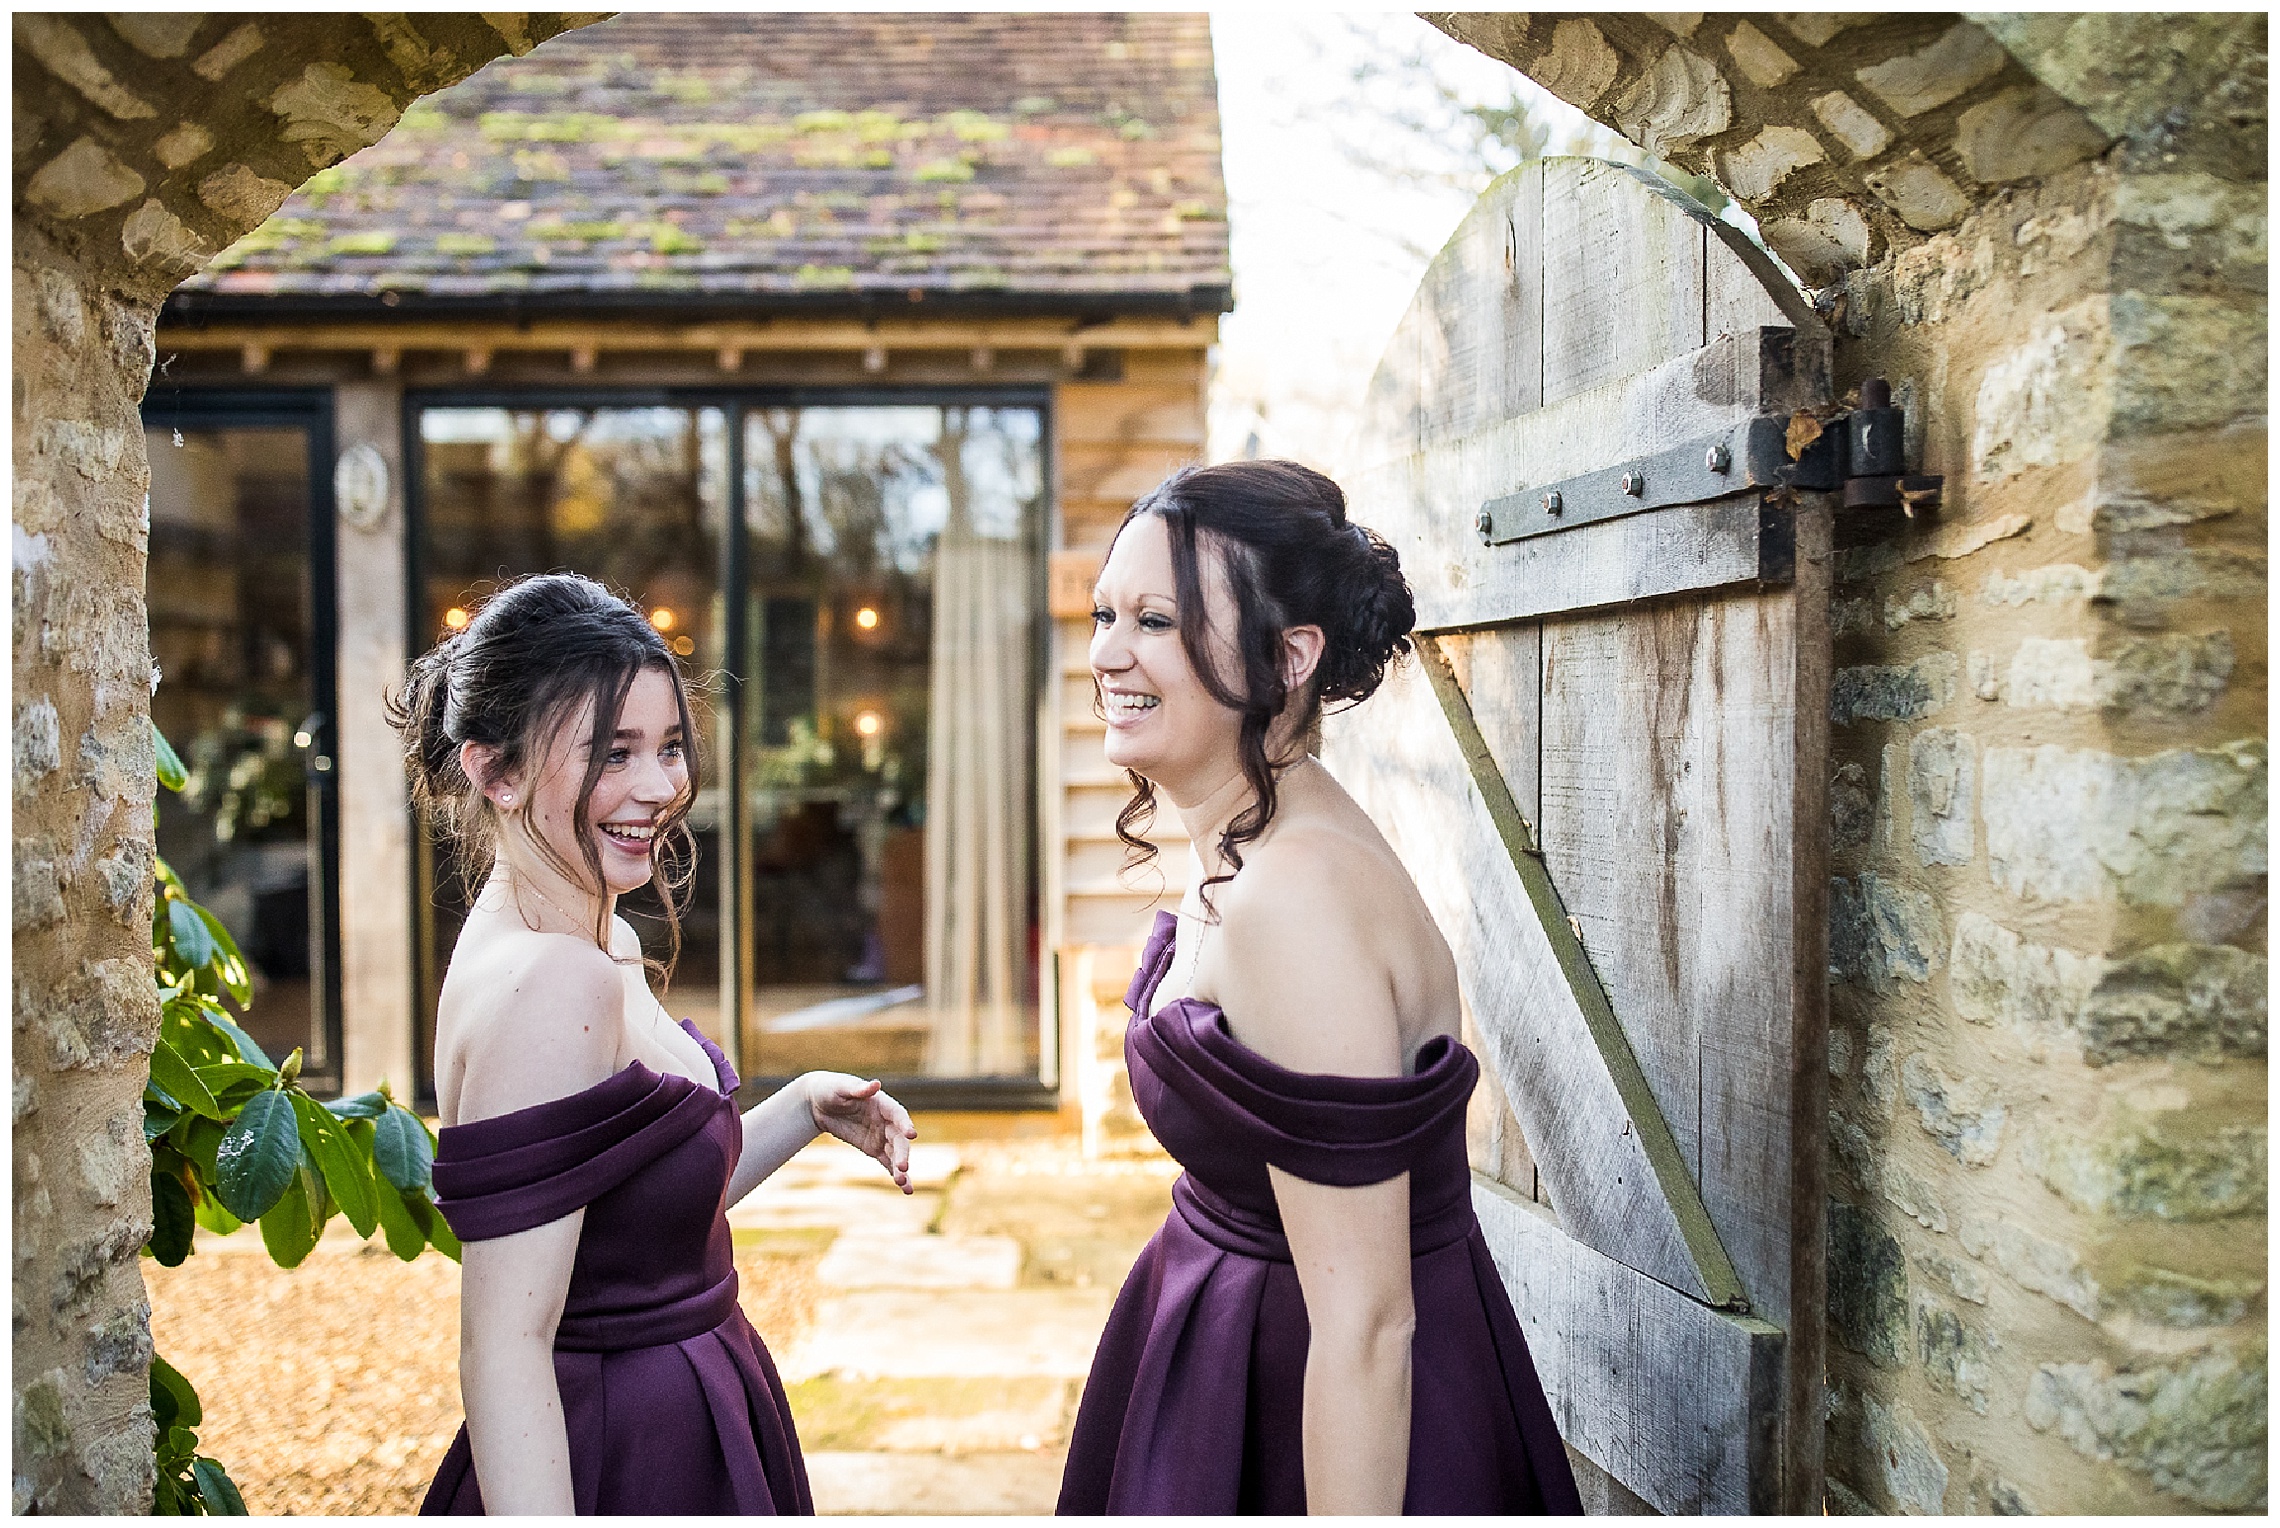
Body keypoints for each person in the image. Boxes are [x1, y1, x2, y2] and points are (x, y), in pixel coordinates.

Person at [1055, 462, 1581, 1515]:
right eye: (1107, 612)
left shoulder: (1298, 900)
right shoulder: (1263, 841)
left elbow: (1368, 1324)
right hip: (1227, 1359)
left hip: (1317, 1411)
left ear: (1290, 655)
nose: (1109, 652)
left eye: (1156, 620)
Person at [391, 572, 915, 1515]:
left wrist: (801, 1108)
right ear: (494, 772)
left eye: (669, 747)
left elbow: (639, 1228)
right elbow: (503, 1350)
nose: (660, 787)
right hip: (628, 1454)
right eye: (612, 752)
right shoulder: (553, 983)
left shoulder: (597, 940)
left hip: (695, 1412)